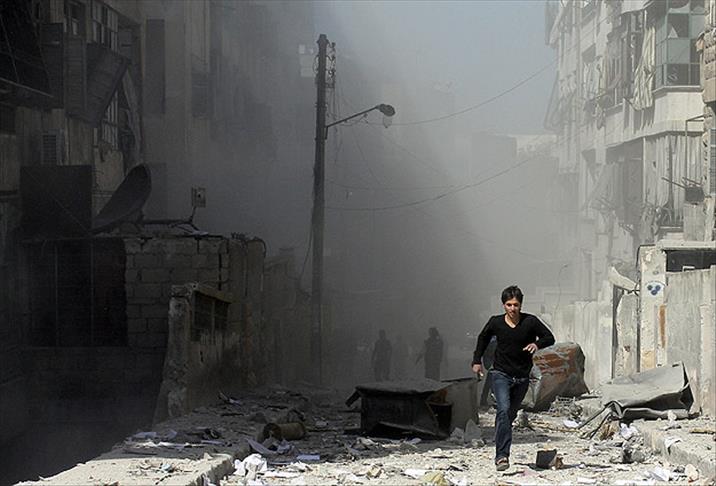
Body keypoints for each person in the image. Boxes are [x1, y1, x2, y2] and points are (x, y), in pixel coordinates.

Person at [471, 285, 555, 471]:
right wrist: (476, 361)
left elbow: (550, 337)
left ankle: (501, 431)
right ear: (503, 305)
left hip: (522, 377)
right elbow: (483, 338)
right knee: (503, 409)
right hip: (501, 374)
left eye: (516, 305)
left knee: (509, 416)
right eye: (509, 305)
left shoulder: (530, 322)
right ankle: (502, 456)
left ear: (521, 305)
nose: (512, 308)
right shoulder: (496, 322)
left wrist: (537, 344)